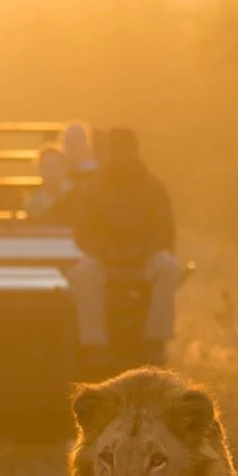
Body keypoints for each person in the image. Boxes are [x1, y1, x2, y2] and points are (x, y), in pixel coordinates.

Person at [70, 127, 181, 366]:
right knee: (82, 273)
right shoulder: (93, 188)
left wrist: (143, 250)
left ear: (135, 151)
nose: (122, 155)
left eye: (126, 148)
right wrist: (105, 251)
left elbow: (165, 229)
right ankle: (94, 344)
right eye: (116, 149)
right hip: (105, 259)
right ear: (109, 153)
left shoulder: (153, 187)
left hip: (144, 259)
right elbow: (82, 231)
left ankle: (155, 340)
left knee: (169, 267)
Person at [25, 145, 77, 225]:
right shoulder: (33, 204)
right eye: (46, 166)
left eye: (55, 165)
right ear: (40, 170)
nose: (50, 171)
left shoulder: (79, 196)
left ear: (65, 168)